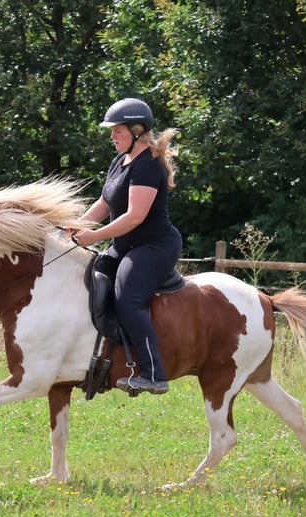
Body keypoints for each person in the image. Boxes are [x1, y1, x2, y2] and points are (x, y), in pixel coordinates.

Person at [70, 98, 182, 395]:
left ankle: (153, 373)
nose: (112, 136)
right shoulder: (121, 161)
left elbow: (134, 216)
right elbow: (106, 202)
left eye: (117, 130)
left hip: (153, 247)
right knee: (89, 281)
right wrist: (79, 224)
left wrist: (94, 237)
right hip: (126, 245)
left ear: (136, 130)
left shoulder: (148, 167)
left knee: (128, 298)